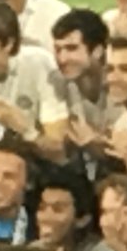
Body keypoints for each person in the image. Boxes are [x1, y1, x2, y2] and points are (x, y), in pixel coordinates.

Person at [0, 0, 69, 163]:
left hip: (40, 169)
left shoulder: (37, 65)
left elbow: (58, 152)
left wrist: (25, 129)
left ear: (8, 44)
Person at [51, 9, 114, 178]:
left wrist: (94, 142)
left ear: (98, 51)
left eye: (71, 49)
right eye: (58, 50)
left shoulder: (119, 83)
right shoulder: (56, 83)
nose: (62, 58)